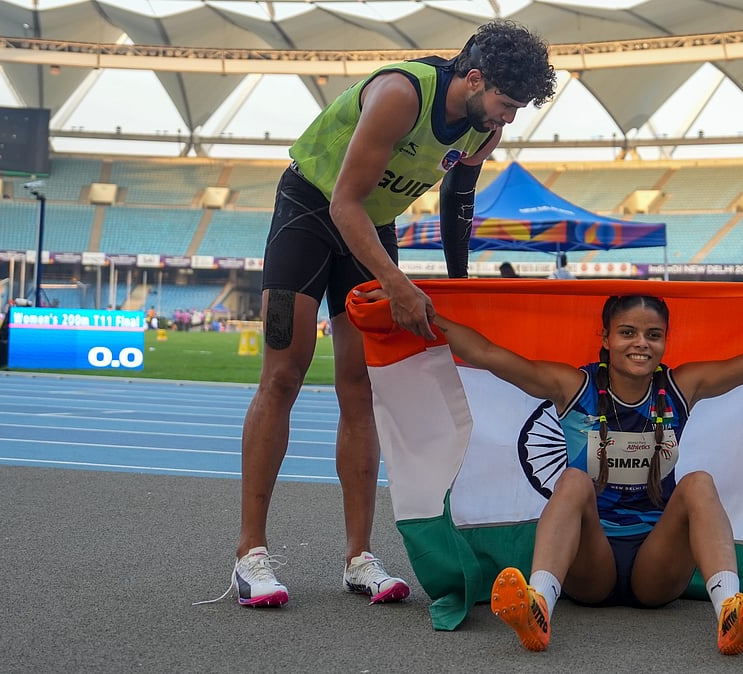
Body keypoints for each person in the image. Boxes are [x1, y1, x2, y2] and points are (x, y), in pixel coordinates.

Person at [220, 20, 556, 609]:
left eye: (517, 111)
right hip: (312, 210)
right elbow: (343, 201)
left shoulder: (482, 130)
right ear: (474, 79)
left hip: (371, 229)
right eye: (504, 105)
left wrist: (457, 283)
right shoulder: (403, 93)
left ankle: (358, 558)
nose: (506, 120)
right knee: (283, 374)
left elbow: (458, 199)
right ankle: (251, 554)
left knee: (359, 387)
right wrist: (397, 284)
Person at [426, 287, 743, 654]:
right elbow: (488, 355)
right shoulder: (572, 386)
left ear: (664, 342)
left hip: (658, 566)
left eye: (653, 335)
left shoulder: (681, 386)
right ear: (606, 339)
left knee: (698, 482)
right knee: (572, 480)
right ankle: (538, 609)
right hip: (589, 564)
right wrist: (420, 310)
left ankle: (731, 616)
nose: (641, 343)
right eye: (628, 332)